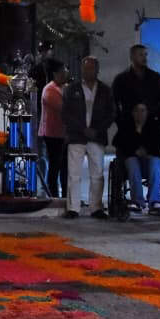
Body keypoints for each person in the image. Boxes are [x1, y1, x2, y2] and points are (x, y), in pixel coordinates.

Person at [61, 57, 115, 218]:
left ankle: (96, 207)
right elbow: (65, 113)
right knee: (73, 173)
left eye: (91, 68)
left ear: (97, 70)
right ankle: (73, 208)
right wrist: (82, 129)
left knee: (97, 173)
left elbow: (111, 113)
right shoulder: (72, 89)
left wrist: (97, 130)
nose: (87, 72)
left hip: (97, 137)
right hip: (76, 136)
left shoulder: (105, 90)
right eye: (85, 69)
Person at [113, 102, 160, 213]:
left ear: (147, 112)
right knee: (132, 162)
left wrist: (148, 151)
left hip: (151, 158)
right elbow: (118, 143)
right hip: (132, 159)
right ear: (132, 113)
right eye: (136, 110)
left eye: (142, 110)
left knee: (155, 162)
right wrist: (135, 151)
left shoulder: (155, 125)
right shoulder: (126, 126)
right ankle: (137, 201)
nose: (139, 113)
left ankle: (155, 201)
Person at [111, 44, 160, 127]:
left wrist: (159, 121)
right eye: (141, 55)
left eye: (145, 54)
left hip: (151, 124)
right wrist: (120, 123)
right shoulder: (121, 79)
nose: (144, 58)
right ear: (132, 57)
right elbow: (113, 103)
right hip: (129, 124)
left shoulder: (156, 78)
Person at [38, 60, 68, 199]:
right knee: (55, 166)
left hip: (63, 133)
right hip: (52, 134)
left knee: (64, 166)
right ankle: (54, 195)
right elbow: (64, 109)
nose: (66, 73)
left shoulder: (64, 87)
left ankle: (65, 195)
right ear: (55, 74)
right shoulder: (50, 90)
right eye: (63, 71)